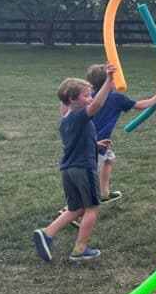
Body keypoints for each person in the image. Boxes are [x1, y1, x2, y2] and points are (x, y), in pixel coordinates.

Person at [32, 64, 117, 263]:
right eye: (87, 96)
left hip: (68, 170)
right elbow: (97, 106)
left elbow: (74, 142)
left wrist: (94, 144)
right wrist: (109, 81)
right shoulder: (80, 116)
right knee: (92, 207)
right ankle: (80, 249)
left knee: (76, 207)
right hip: (84, 168)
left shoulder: (65, 120)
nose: (90, 99)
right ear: (72, 99)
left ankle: (47, 232)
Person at [86, 63, 156, 203]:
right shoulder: (116, 98)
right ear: (110, 81)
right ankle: (70, 210)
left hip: (90, 142)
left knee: (109, 159)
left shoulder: (90, 98)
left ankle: (104, 193)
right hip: (97, 145)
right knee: (87, 181)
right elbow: (139, 106)